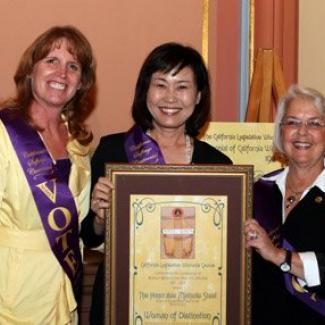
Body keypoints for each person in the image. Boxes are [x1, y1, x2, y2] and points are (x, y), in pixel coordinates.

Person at [80, 42, 232, 324]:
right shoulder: (113, 150)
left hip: (194, 301)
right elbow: (90, 236)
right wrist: (100, 217)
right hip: (124, 297)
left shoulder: (219, 166)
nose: (170, 97)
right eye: (161, 84)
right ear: (145, 92)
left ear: (198, 96)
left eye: (183, 87)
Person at [0, 25, 96, 324]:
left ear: (81, 82)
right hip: (13, 292)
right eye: (51, 61)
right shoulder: (4, 133)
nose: (62, 73)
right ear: (30, 71)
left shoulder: (78, 144)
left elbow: (78, 220)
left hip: (62, 288)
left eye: (73, 66)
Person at [245, 85, 325, 324]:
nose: (302, 132)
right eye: (292, 122)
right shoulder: (258, 190)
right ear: (281, 132)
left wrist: (279, 255)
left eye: (314, 123)